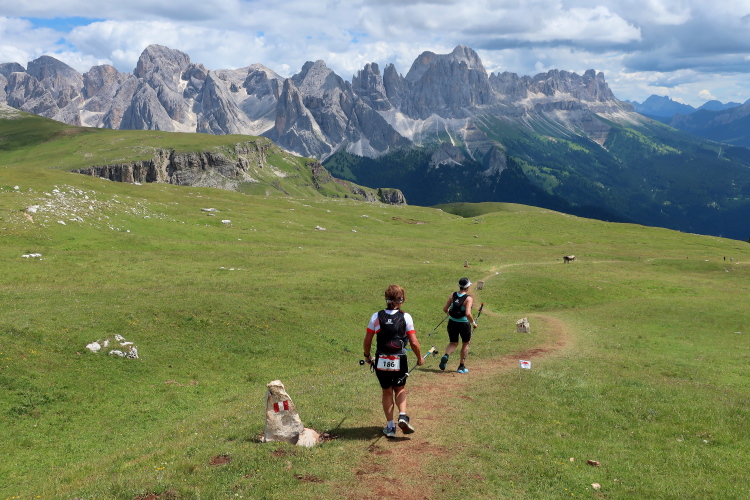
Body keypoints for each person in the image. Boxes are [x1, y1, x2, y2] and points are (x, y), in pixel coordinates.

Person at [363, 284, 423, 438]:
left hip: (381, 358)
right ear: (401, 299)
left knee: (387, 391)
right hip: (399, 358)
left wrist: (367, 356)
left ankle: (390, 427)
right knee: (400, 389)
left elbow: (368, 340)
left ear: (386, 298)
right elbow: (414, 342)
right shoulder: (405, 317)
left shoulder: (376, 316)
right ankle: (402, 416)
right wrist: (419, 357)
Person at [439, 277, 477, 374]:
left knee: (453, 343)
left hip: (452, 323)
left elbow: (445, 309)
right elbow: (468, 313)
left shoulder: (452, 295)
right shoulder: (468, 298)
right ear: (467, 287)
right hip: (464, 324)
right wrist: (473, 323)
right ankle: (461, 366)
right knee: (465, 344)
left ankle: (446, 355)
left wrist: (450, 314)